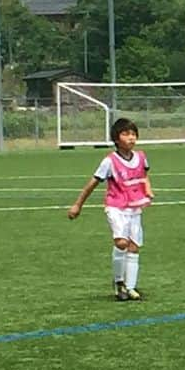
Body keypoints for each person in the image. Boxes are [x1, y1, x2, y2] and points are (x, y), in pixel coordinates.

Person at [68, 117, 154, 301]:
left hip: (134, 208)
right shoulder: (109, 161)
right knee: (121, 243)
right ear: (116, 139)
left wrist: (148, 190)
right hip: (116, 207)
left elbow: (144, 174)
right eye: (126, 134)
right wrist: (78, 204)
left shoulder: (141, 157)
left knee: (134, 247)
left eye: (133, 134)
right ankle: (118, 282)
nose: (131, 138)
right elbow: (93, 183)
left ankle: (130, 287)